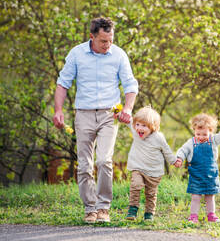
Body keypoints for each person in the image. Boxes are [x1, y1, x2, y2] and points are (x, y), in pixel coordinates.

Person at [53, 17, 138, 223]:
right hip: (83, 113)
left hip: (110, 115)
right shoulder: (77, 54)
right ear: (92, 37)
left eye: (110, 40)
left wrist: (127, 108)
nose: (107, 45)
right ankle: (90, 208)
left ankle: (103, 208)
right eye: (102, 41)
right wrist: (58, 110)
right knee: (84, 165)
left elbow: (130, 85)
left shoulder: (119, 54)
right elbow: (63, 83)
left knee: (104, 160)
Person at [125, 106, 182, 221]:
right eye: (137, 124)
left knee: (150, 193)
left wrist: (174, 161)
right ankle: (132, 210)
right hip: (138, 168)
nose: (139, 128)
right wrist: (120, 115)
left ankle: (149, 214)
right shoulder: (136, 132)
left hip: (154, 172)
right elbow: (127, 120)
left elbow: (166, 150)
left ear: (153, 127)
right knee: (135, 185)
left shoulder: (158, 137)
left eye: (144, 126)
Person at [176, 113, 220, 223]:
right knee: (195, 197)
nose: (201, 137)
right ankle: (193, 216)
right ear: (194, 130)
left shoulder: (213, 140)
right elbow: (183, 150)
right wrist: (179, 158)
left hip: (210, 176)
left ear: (211, 131)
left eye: (204, 134)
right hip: (196, 176)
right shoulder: (191, 142)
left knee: (210, 197)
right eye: (198, 134)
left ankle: (211, 215)